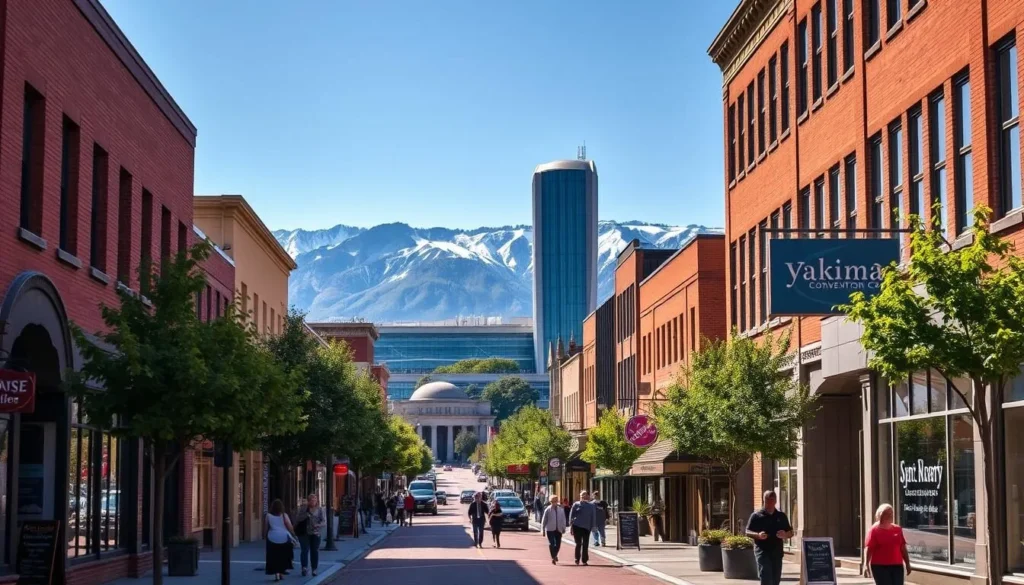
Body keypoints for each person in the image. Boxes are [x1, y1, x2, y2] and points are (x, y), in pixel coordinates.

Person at [746, 490, 794, 585]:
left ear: (775, 501)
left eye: (771, 500)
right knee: (766, 577)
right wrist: (758, 535)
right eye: (766, 500)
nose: (769, 502)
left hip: (777, 551)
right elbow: (747, 531)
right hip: (762, 551)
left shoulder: (781, 516)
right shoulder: (756, 516)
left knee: (776, 579)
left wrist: (785, 534)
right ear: (763, 500)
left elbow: (791, 532)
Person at [864, 504, 912, 585]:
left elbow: (903, 548)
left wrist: (907, 563)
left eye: (891, 513)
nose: (890, 515)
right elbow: (869, 549)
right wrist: (866, 565)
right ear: (880, 515)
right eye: (887, 513)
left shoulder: (897, 529)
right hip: (880, 566)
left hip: (897, 566)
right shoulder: (874, 530)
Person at [264, 499, 297, 582]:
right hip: (283, 537)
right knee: (282, 556)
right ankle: (282, 572)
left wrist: (265, 536)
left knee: (274, 557)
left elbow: (266, 527)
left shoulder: (268, 516)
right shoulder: (284, 515)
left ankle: (276, 574)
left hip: (272, 537)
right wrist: (293, 534)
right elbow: (289, 526)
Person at [294, 493, 326, 577]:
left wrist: (318, 525)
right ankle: (304, 568)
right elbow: (298, 519)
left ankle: (314, 569)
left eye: (314, 500)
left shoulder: (320, 509)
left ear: (317, 501)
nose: (313, 502)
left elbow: (324, 522)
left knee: (314, 551)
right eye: (311, 500)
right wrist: (305, 514)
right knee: (304, 550)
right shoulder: (303, 508)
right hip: (304, 533)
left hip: (315, 533)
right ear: (308, 501)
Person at [569, 490, 596, 566]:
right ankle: (577, 558)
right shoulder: (576, 504)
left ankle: (584, 560)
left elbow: (593, 516)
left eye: (584, 495)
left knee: (585, 544)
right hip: (577, 526)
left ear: (587, 496)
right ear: (580, 497)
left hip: (587, 527)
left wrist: (593, 526)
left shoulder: (591, 506)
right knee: (578, 543)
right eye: (582, 496)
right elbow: (571, 515)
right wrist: (570, 525)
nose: (583, 497)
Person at [540, 494, 567, 564]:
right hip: (550, 529)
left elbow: (563, 519)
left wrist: (564, 527)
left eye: (555, 501)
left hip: (558, 529)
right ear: (550, 502)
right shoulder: (548, 510)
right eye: (553, 502)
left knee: (558, 544)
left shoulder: (561, 510)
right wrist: (543, 529)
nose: (554, 503)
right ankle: (553, 556)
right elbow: (544, 519)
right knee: (551, 543)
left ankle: (555, 555)